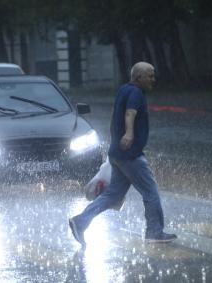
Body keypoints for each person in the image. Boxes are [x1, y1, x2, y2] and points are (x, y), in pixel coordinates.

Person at [69, 62, 177, 247]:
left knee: (112, 194)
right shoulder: (136, 93)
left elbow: (114, 116)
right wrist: (128, 134)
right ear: (139, 77)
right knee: (150, 192)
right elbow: (130, 113)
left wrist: (115, 141)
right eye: (150, 76)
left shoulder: (123, 90)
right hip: (130, 155)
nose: (153, 79)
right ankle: (154, 232)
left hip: (118, 153)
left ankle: (80, 222)